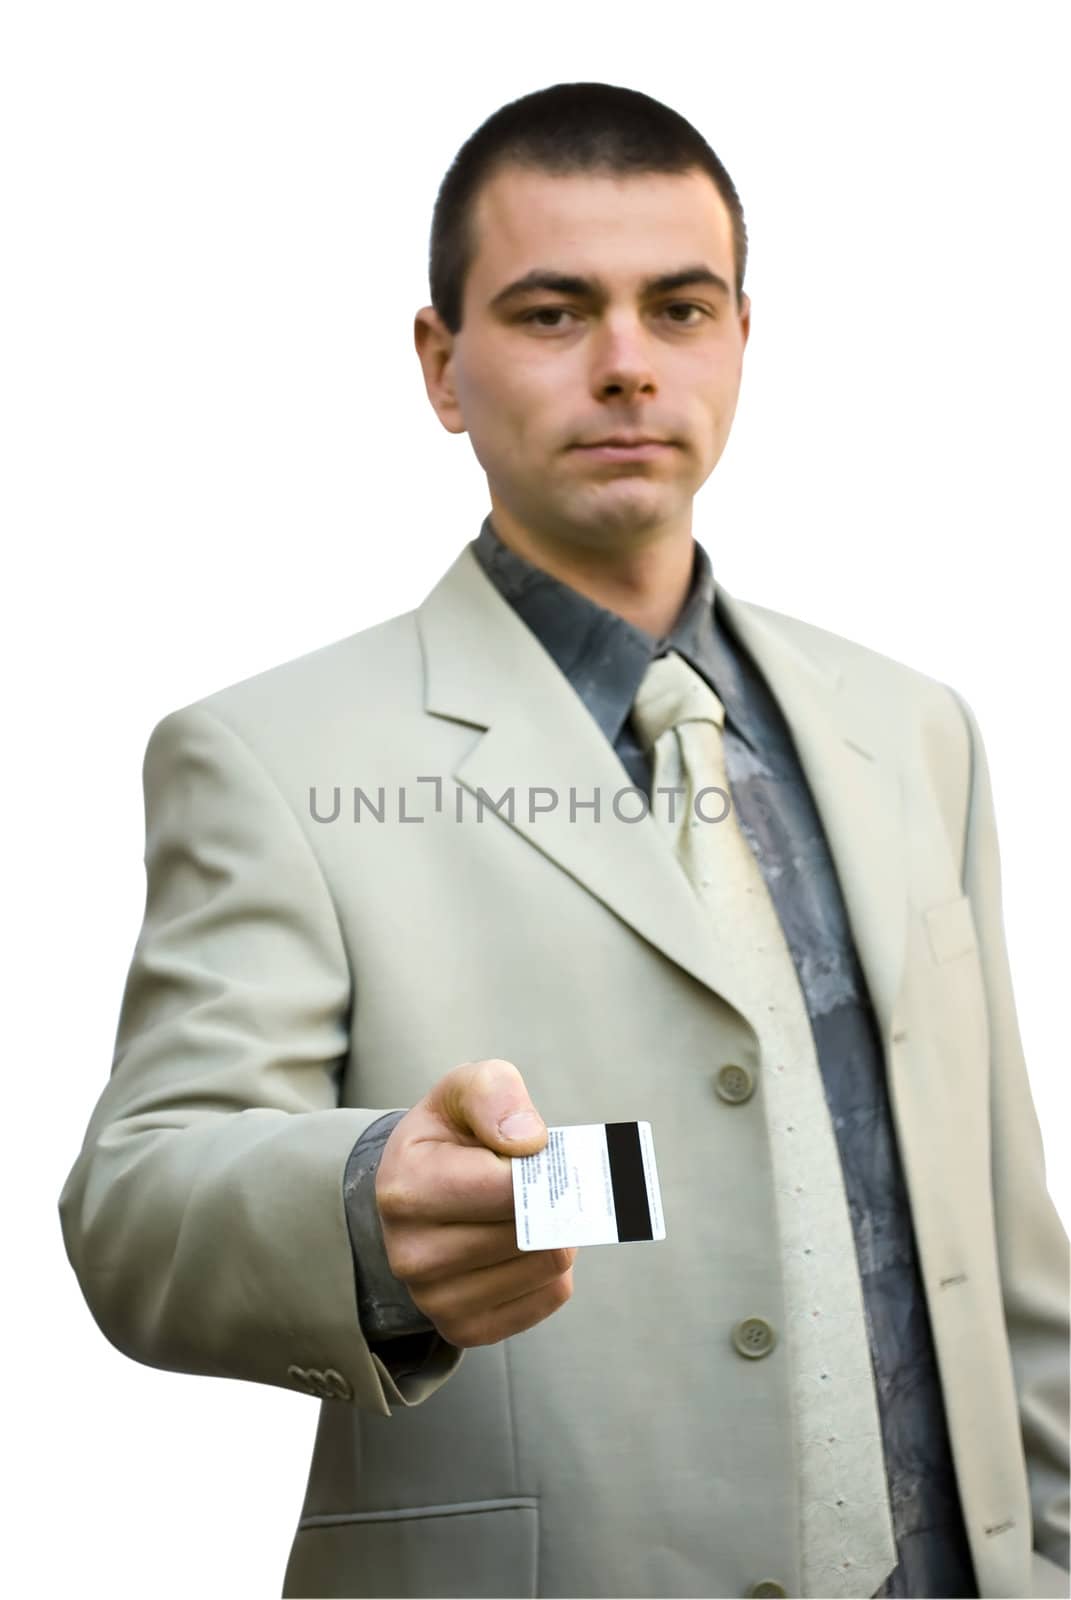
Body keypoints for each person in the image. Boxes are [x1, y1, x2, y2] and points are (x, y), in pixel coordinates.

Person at [57, 81, 1069, 1600]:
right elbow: (137, 1200)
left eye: (680, 307)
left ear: (741, 337)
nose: (625, 367)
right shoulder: (270, 756)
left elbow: (1002, 1234)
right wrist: (358, 1202)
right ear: (440, 365)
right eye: (550, 313)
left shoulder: (913, 726)